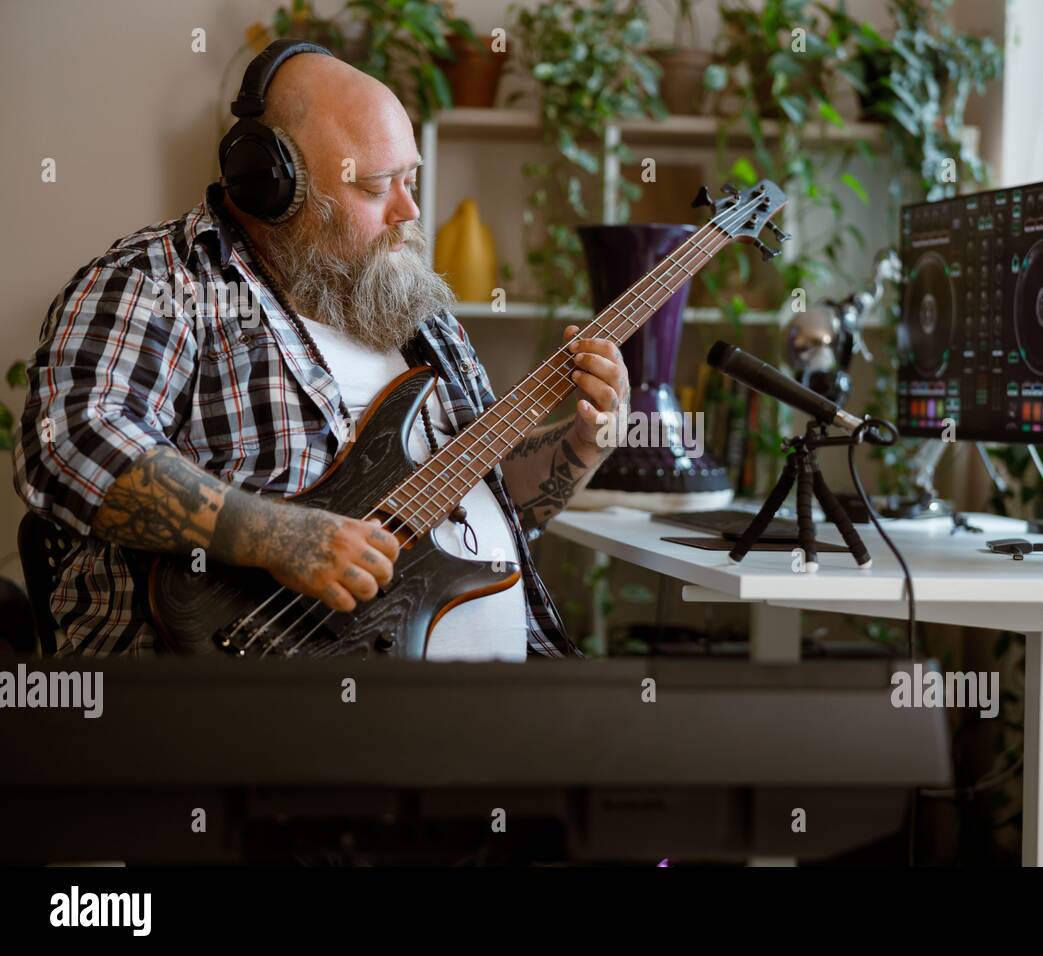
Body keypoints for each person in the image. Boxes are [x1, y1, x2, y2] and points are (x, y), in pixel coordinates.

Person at [13, 42, 628, 659]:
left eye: (410, 179)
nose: (408, 210)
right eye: (375, 186)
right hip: (232, 702)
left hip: (490, 713)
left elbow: (486, 507)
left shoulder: (419, 313)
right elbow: (69, 442)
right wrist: (280, 538)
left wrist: (581, 444)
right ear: (270, 185)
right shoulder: (160, 283)